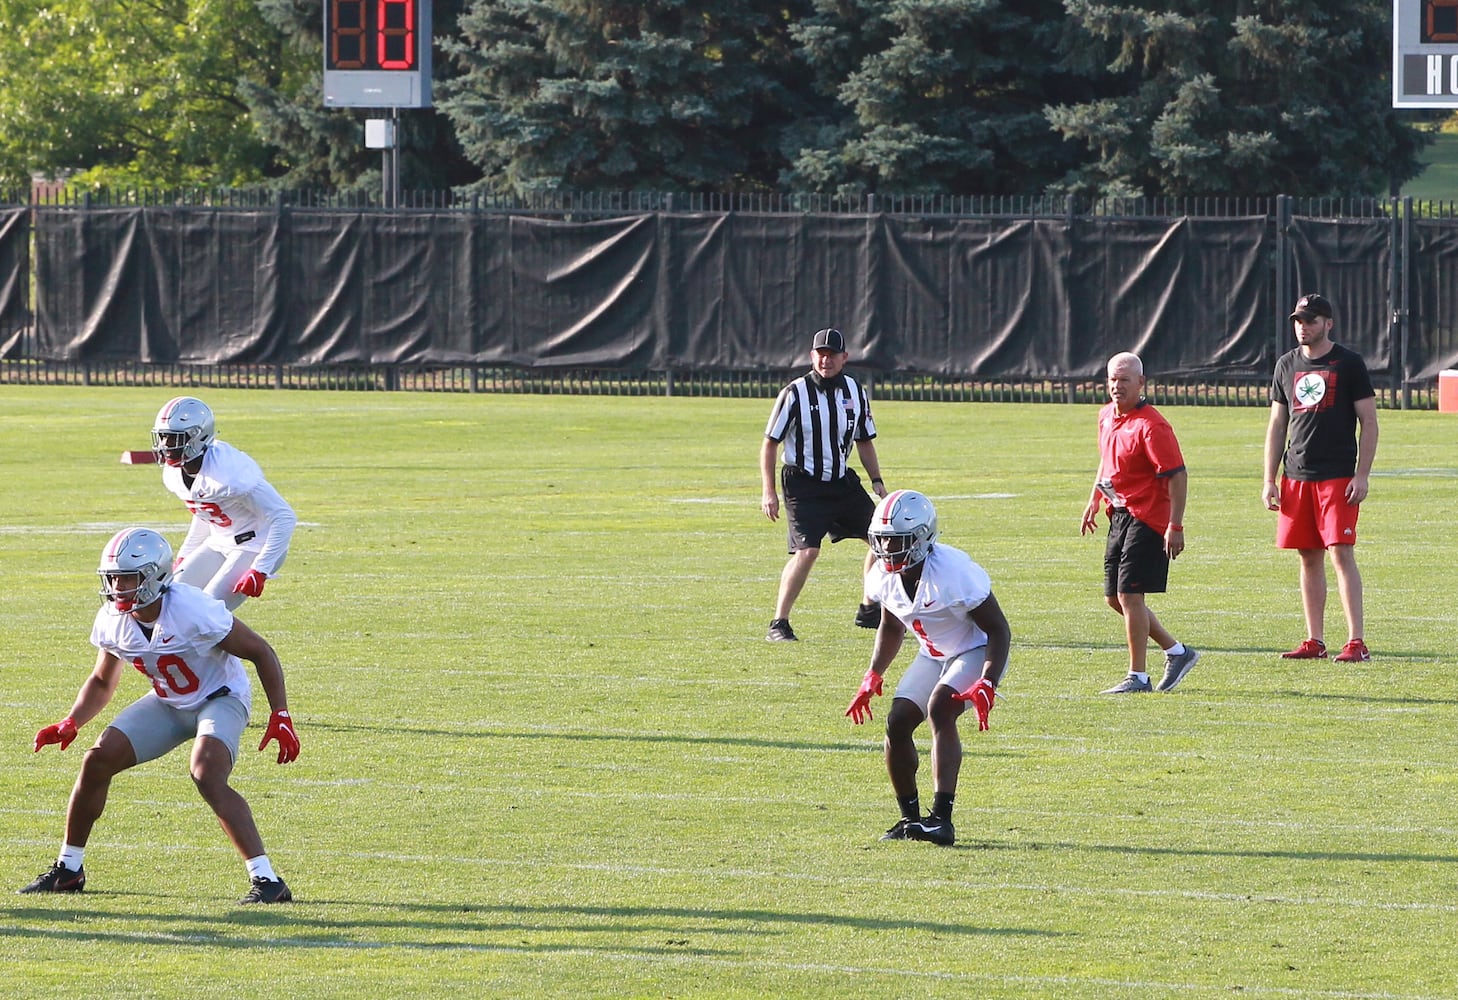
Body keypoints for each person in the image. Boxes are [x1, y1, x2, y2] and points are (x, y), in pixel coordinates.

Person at [20, 527, 299, 904]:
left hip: (220, 698)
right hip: (168, 702)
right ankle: (69, 869)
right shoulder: (113, 618)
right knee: (96, 761)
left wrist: (279, 714)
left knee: (206, 773)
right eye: (113, 578)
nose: (117, 587)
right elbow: (103, 680)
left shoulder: (192, 609)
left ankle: (267, 881)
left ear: (154, 576)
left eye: (126, 577)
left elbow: (261, 651)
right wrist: (72, 721)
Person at [844, 490, 1010, 846]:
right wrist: (873, 673)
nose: (887, 550)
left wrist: (988, 681)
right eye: (883, 541)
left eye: (896, 541)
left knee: (940, 708)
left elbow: (998, 629)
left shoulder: (953, 571)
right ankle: (910, 819)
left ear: (921, 537)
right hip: (933, 653)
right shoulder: (882, 575)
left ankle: (941, 820)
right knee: (898, 720)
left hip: (976, 649)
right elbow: (891, 625)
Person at [1262, 293, 1379, 663]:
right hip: (1297, 475)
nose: (1303, 326)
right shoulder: (1286, 365)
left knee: (1340, 552)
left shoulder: (1348, 364)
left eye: (1311, 320)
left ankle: (1356, 641)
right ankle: (1314, 640)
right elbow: (1278, 424)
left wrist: (1362, 474)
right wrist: (1270, 478)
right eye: (1298, 320)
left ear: (1328, 323)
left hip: (1337, 476)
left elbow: (1370, 423)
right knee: (1308, 555)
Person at [1080, 352, 1200, 694]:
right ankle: (1177, 652)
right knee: (1114, 599)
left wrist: (1175, 526)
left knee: (1130, 594)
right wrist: (1094, 498)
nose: (1117, 387)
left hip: (1149, 517)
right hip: (1119, 512)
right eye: (1113, 380)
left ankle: (1138, 676)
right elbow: (1106, 462)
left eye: (1125, 380)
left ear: (1141, 383)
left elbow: (1177, 476)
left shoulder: (1152, 426)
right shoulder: (1105, 416)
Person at [760, 328, 887, 641]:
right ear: (811, 356)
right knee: (807, 553)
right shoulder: (794, 393)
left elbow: (864, 441)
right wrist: (768, 491)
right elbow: (770, 444)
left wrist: (877, 482)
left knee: (883, 539)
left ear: (845, 358)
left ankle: (869, 608)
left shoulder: (855, 392)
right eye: (820, 353)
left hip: (841, 480)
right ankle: (779, 623)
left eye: (832, 354)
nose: (825, 359)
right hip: (803, 484)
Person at [152, 396, 297, 611]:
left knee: (208, 611)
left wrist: (260, 568)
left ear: (197, 437)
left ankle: (240, 646)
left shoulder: (230, 472)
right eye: (163, 437)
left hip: (255, 545)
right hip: (218, 541)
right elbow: (205, 512)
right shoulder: (174, 473)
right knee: (171, 601)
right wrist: (186, 553)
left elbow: (284, 516)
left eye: (174, 438)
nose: (166, 445)